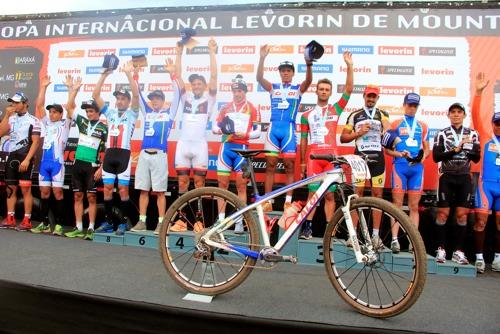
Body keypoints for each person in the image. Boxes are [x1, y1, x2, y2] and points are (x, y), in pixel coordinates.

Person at [298, 51, 353, 240]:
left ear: (330, 92)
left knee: (330, 196)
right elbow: (303, 140)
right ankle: (307, 228)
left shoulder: (336, 109)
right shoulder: (307, 115)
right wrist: (303, 164)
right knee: (313, 195)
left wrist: (349, 65)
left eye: (326, 89)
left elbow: (348, 90)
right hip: (313, 157)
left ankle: (330, 231)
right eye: (320, 89)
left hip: (331, 157)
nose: (323, 91)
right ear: (317, 91)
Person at [256, 44, 313, 211]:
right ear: (280, 72)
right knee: (271, 165)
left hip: (288, 129)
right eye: (283, 70)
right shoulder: (273, 88)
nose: (286, 72)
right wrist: (262, 58)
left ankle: (288, 200)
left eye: (289, 70)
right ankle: (268, 201)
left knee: (289, 165)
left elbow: (309, 81)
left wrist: (309, 64)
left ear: (293, 73)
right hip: (273, 129)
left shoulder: (297, 90)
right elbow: (259, 78)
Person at [130, 55, 182, 235]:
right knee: (143, 190)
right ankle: (142, 221)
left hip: (160, 155)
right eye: (153, 98)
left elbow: (178, 94)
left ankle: (161, 223)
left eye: (158, 98)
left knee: (160, 192)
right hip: (144, 155)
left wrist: (173, 75)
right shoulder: (147, 111)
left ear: (163, 100)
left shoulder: (169, 113)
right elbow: (138, 94)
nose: (154, 101)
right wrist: (135, 76)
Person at [92, 60, 140, 235]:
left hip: (124, 155)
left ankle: (122, 223)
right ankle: (109, 222)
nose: (119, 101)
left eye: (122, 99)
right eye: (118, 99)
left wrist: (128, 74)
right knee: (107, 189)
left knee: (123, 190)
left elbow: (136, 95)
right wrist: (104, 75)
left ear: (127, 102)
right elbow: (95, 94)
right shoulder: (110, 112)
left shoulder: (133, 113)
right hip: (110, 155)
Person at [210, 74, 261, 234]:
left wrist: (244, 135)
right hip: (226, 149)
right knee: (222, 186)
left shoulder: (252, 108)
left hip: (242, 151)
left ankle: (240, 222)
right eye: (235, 91)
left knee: (241, 187)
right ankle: (221, 221)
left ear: (245, 91)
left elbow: (258, 132)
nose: (237, 93)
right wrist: (220, 130)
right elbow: (214, 127)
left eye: (240, 91)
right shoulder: (225, 108)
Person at [340, 84, 389, 247]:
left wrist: (386, 132)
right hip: (360, 159)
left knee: (377, 196)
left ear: (377, 98)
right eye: (368, 96)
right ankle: (353, 235)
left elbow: (388, 133)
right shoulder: (355, 115)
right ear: (364, 96)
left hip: (378, 159)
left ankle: (375, 236)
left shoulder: (383, 115)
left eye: (374, 96)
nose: (371, 99)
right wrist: (358, 133)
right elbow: (343, 137)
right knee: (357, 195)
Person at [432, 102, 480, 264]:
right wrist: (455, 150)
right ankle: (440, 249)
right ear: (448, 115)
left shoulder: (472, 134)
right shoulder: (442, 134)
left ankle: (458, 251)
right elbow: (436, 157)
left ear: (464, 115)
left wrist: (468, 148)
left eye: (459, 112)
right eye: (453, 112)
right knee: (442, 214)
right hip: (447, 176)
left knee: (461, 215)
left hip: (465, 177)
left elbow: (476, 158)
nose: (456, 114)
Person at [64, 76, 108, 240]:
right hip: (78, 163)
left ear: (98, 112)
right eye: (87, 111)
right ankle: (78, 226)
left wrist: (101, 168)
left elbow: (107, 149)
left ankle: (90, 228)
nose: (89, 113)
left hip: (92, 165)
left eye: (91, 111)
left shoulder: (104, 128)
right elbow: (69, 108)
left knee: (91, 196)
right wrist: (73, 91)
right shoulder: (82, 122)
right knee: (77, 196)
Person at [385, 93, 430, 253]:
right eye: (409, 105)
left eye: (415, 106)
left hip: (416, 169)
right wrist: (399, 154)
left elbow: (427, 149)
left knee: (414, 206)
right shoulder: (395, 124)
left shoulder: (423, 126)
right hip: (400, 167)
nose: (412, 108)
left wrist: (422, 157)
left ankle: (413, 242)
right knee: (397, 206)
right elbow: (388, 150)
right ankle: (395, 240)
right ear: (404, 105)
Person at [29, 75, 72, 236]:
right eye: (51, 112)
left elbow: (71, 107)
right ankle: (44, 223)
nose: (52, 114)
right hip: (44, 164)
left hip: (57, 164)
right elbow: (39, 105)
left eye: (55, 112)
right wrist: (44, 86)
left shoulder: (65, 123)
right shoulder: (46, 123)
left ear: (61, 114)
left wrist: (70, 89)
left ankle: (60, 225)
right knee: (44, 193)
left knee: (58, 193)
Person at [175, 39, 217, 197]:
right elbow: (178, 76)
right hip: (183, 145)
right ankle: (181, 220)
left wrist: (211, 52)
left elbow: (213, 76)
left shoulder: (209, 99)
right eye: (194, 84)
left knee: (200, 184)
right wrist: (179, 54)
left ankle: (199, 221)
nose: (196, 86)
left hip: (199, 146)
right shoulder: (186, 98)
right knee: (182, 183)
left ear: (204, 86)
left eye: (199, 83)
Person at [471, 72, 500, 273]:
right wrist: (479, 92)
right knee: (481, 221)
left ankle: (498, 258)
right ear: (492, 124)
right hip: (486, 185)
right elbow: (475, 115)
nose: (499, 126)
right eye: (496, 123)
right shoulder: (485, 137)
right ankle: (480, 258)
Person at [0, 92, 41, 231]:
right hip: (12, 156)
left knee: (25, 189)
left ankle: (27, 219)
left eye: (17, 103)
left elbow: (35, 142)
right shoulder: (11, 119)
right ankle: (10, 218)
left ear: (25, 103)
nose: (14, 105)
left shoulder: (34, 120)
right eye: (13, 103)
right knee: (10, 189)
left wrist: (28, 160)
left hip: (25, 157)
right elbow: (0, 132)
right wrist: (6, 115)